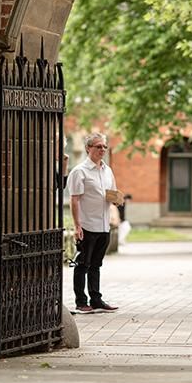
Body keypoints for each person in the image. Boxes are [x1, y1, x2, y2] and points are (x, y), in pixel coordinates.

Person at [67, 132, 120, 314]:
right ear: (88, 148)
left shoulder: (107, 170)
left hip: (104, 225)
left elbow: (111, 193)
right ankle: (81, 302)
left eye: (104, 147)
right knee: (83, 264)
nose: (102, 150)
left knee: (96, 264)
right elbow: (74, 200)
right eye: (98, 146)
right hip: (87, 225)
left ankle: (96, 300)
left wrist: (116, 202)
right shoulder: (79, 172)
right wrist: (77, 226)